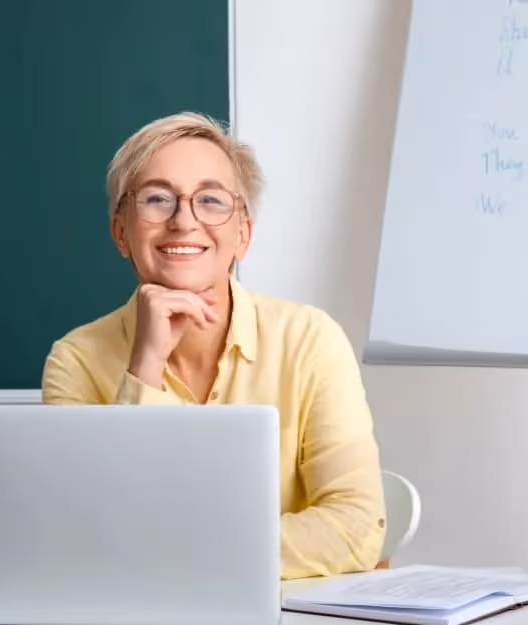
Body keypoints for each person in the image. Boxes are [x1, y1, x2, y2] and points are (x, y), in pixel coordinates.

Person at [41, 111, 386, 580]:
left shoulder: (311, 340)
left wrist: (181, 552)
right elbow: (88, 532)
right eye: (157, 199)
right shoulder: (75, 359)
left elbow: (357, 526)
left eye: (210, 200)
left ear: (242, 234)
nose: (184, 220)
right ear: (121, 232)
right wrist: (145, 365)